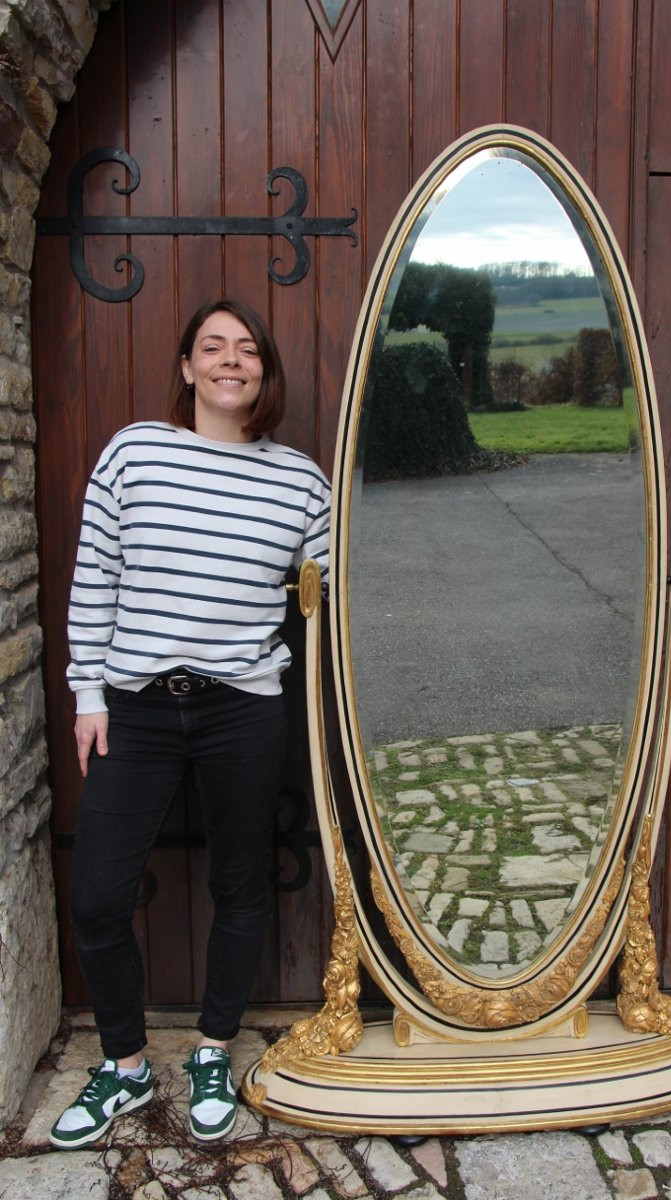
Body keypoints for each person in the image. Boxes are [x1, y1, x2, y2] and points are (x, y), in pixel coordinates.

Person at [49, 298, 331, 1148]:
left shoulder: (300, 482)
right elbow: (94, 575)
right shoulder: (135, 452)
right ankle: (126, 1065)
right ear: (187, 367)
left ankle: (213, 1048)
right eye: (212, 346)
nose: (229, 360)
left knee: (239, 885)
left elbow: (333, 593)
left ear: (264, 370)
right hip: (136, 706)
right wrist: (87, 694)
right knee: (97, 896)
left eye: (246, 349)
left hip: (242, 706)